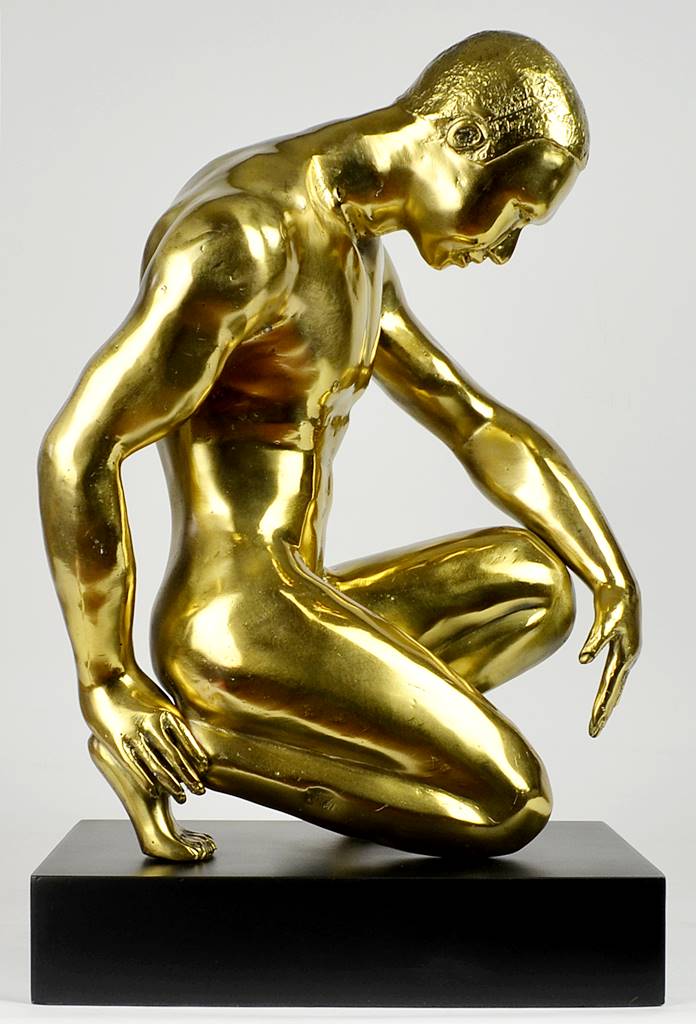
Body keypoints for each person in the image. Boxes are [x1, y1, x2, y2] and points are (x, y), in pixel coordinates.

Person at [39, 31, 640, 862]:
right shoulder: (247, 236)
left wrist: (609, 571)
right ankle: (197, 747)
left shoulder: (363, 255)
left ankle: (367, 743)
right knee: (511, 803)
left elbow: (473, 422)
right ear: (464, 140)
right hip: (231, 628)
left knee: (540, 586)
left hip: (302, 600)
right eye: (515, 214)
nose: (503, 250)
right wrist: (108, 681)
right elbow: (78, 449)